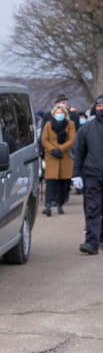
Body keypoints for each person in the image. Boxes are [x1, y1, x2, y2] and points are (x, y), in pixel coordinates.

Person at [72, 94, 103, 255]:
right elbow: (79, 153)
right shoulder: (86, 129)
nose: (101, 109)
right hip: (92, 175)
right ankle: (92, 241)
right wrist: (76, 174)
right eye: (99, 106)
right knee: (92, 208)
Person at [40, 104, 76, 216]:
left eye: (61, 113)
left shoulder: (70, 124)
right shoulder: (48, 124)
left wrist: (60, 149)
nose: (59, 114)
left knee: (63, 184)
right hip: (51, 157)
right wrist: (52, 150)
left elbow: (72, 140)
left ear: (65, 114)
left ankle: (60, 204)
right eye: (57, 112)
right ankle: (48, 205)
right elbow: (44, 139)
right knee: (50, 182)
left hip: (64, 157)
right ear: (53, 114)